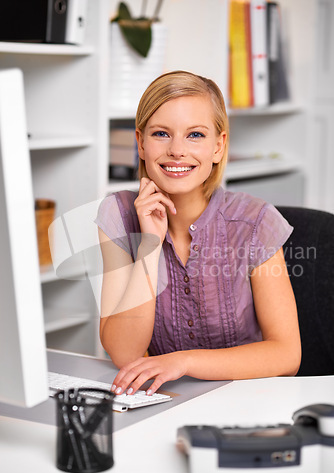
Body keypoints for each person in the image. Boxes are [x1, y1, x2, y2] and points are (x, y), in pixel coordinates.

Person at [95, 70, 301, 397]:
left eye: (195, 135)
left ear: (218, 147)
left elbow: (287, 355)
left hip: (246, 400)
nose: (177, 150)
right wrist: (149, 244)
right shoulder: (118, 215)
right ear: (141, 144)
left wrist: (183, 362)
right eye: (161, 133)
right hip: (162, 401)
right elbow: (125, 354)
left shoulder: (255, 222)